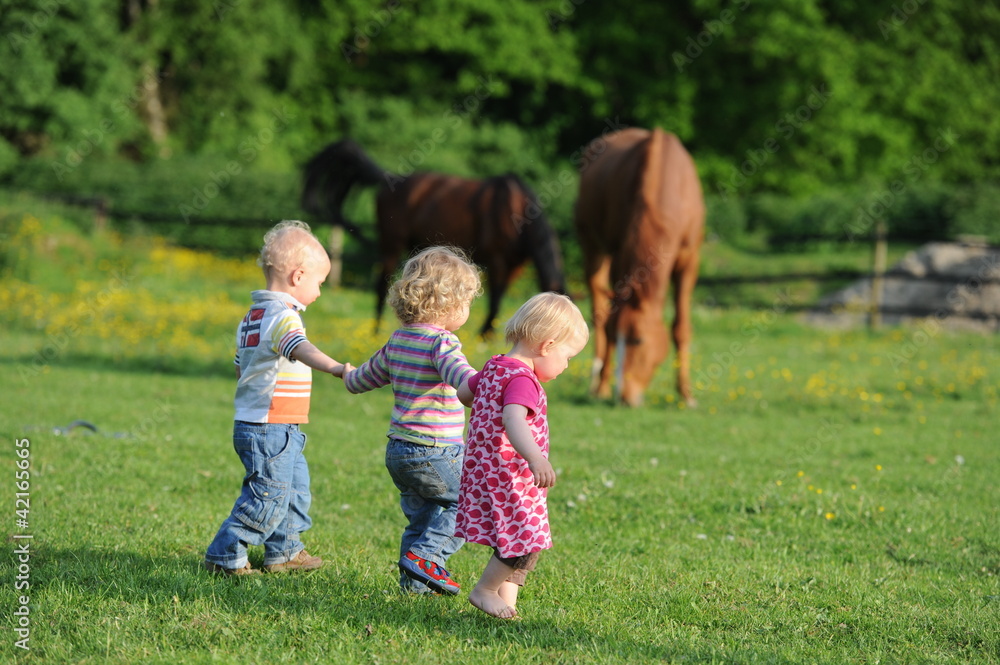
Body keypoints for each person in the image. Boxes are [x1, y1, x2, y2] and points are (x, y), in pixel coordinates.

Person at [204, 220, 351, 576]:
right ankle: (225, 555)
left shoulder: (252, 317)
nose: (319, 291)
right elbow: (298, 348)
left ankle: (284, 551)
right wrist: (335, 368)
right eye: (319, 282)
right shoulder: (283, 316)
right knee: (267, 496)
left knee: (293, 491)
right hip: (271, 426)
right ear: (298, 276)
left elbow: (241, 368)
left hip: (269, 423)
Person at [344, 246, 482, 595]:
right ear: (449, 304)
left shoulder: (397, 340)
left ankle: (414, 588)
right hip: (434, 451)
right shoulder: (442, 342)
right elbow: (461, 377)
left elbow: (361, 380)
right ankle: (428, 556)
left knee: (421, 519)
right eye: (466, 302)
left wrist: (346, 374)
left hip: (398, 453)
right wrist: (491, 382)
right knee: (469, 501)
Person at [455, 292, 588, 618]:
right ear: (547, 345)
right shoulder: (522, 380)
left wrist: (485, 400)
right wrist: (535, 457)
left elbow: (463, 393)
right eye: (568, 356)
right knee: (526, 539)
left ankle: (506, 603)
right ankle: (485, 590)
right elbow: (514, 419)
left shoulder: (494, 367)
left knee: (512, 540)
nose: (567, 365)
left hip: (482, 470)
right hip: (510, 474)